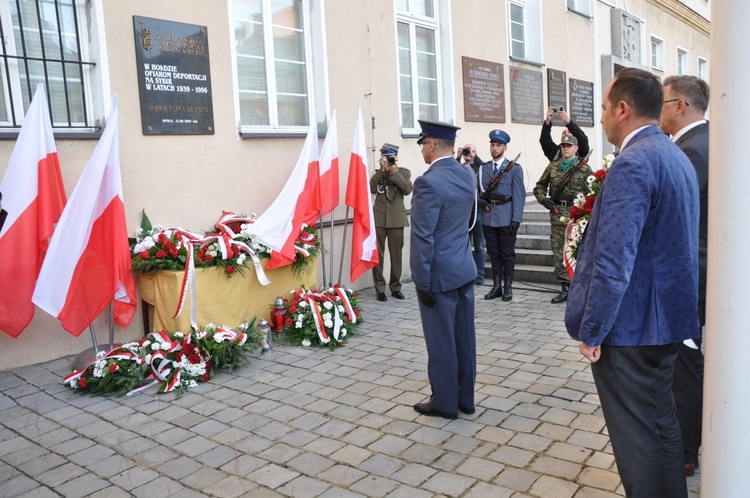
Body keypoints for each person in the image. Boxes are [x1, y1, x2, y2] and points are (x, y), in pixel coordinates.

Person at [565, 68, 699, 498]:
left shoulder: (633, 162)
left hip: (632, 330)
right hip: (667, 324)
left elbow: (612, 260)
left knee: (638, 444)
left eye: (604, 108)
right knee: (662, 428)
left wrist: (593, 329)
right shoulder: (674, 154)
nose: (601, 117)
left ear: (623, 109)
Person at [660, 74, 710, 477]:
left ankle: (687, 449)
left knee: (684, 361)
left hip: (691, 271)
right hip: (698, 267)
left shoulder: (693, 150)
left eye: (661, 102)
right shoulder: (698, 143)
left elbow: (675, 216)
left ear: (680, 106)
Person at [410, 119, 477, 420]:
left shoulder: (427, 182)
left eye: (423, 143)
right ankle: (466, 398)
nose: (423, 148)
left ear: (433, 144)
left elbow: (422, 237)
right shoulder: (467, 174)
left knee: (441, 343)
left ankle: (445, 403)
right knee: (464, 338)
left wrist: (421, 281)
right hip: (463, 268)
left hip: (438, 274)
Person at [533, 135, 592, 303]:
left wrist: (587, 212)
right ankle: (565, 288)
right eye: (563, 146)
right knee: (559, 252)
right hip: (558, 213)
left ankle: (577, 287)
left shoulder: (584, 169)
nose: (565, 148)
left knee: (576, 251)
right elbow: (539, 186)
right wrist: (543, 199)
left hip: (577, 216)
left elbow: (593, 192)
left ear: (576, 148)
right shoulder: (553, 166)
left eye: (569, 146)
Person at [479, 130, 524, 301]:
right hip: (488, 216)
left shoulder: (514, 169)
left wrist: (516, 219)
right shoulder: (484, 169)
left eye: (498, 145)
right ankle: (496, 286)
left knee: (507, 254)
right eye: (493, 145)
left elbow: (519, 196)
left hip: (506, 217)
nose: (495, 148)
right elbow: (479, 191)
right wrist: (480, 202)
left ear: (505, 147)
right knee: (494, 253)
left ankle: (508, 288)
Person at [369, 143, 413, 302]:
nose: (388, 160)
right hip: (379, 219)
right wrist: (381, 170)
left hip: (396, 219)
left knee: (396, 256)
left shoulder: (403, 172)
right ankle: (380, 288)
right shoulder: (377, 173)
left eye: (390, 157)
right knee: (378, 256)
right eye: (385, 157)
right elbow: (370, 188)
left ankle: (395, 287)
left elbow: (407, 190)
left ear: (396, 157)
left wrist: (393, 170)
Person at [457, 143, 486, 284]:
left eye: (472, 151)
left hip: (477, 212)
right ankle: (466, 272)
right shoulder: (460, 168)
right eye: (467, 150)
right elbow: (451, 174)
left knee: (480, 245)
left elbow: (485, 167)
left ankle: (479, 274)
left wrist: (474, 157)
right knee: (464, 244)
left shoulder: (480, 167)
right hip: (464, 212)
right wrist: (457, 157)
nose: (469, 153)